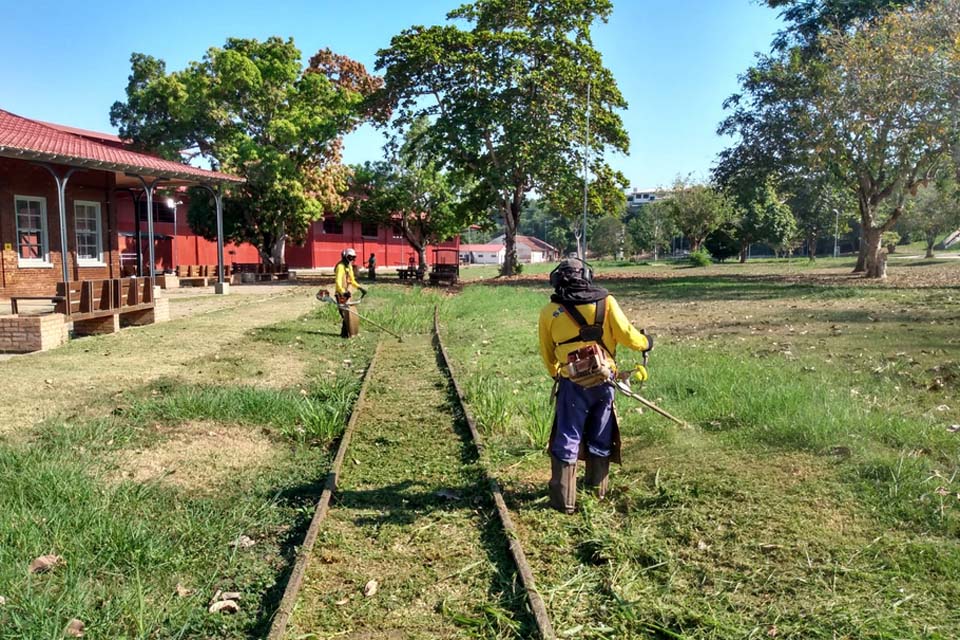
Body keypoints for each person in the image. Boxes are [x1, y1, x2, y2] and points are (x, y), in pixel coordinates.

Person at [537, 258, 652, 514]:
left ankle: (564, 501)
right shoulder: (606, 302)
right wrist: (646, 343)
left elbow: (547, 351)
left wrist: (556, 373)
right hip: (604, 380)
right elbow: (628, 335)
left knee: (568, 433)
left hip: (571, 383)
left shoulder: (549, 311)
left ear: (557, 279)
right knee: (601, 430)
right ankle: (597, 491)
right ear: (587, 276)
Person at [334, 248, 366, 338]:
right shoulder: (340, 267)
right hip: (341, 294)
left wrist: (360, 288)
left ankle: (346, 334)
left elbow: (352, 280)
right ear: (345, 256)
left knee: (348, 313)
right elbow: (338, 281)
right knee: (344, 313)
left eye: (353, 257)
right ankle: (346, 334)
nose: (351, 259)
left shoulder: (349, 266)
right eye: (350, 257)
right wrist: (343, 292)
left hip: (347, 292)